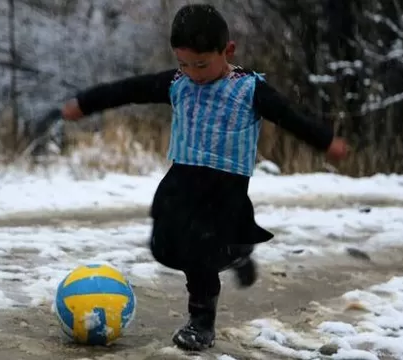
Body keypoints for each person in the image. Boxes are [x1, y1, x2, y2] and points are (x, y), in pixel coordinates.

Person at [59, 3, 349, 351]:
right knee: (164, 246)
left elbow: (289, 117)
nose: (193, 73)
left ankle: (201, 322)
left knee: (200, 254)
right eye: (184, 63)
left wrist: (325, 141)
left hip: (225, 187)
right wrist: (85, 103)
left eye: (201, 64)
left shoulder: (249, 89)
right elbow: (128, 90)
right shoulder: (177, 83)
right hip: (182, 178)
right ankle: (236, 251)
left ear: (227, 51)